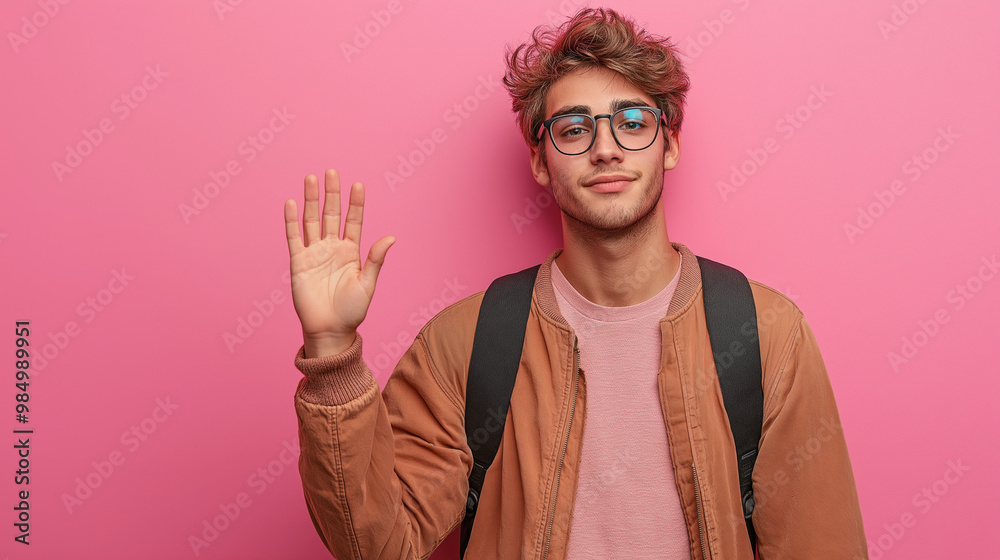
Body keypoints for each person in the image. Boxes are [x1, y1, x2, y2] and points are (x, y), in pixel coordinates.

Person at [282, 7, 867, 559]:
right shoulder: (467, 342)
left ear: (670, 144)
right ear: (541, 160)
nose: (606, 149)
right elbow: (379, 545)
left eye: (632, 123)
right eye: (573, 129)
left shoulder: (766, 334)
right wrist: (332, 353)